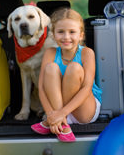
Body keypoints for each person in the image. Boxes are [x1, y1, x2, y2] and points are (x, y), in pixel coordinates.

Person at [31, 8, 102, 142]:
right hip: (58, 110)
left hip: (84, 109)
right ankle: (63, 125)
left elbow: (87, 88)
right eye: (61, 32)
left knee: (74, 68)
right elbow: (41, 88)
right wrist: (51, 115)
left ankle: (55, 122)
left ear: (81, 35)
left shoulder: (87, 53)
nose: (66, 37)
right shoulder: (50, 53)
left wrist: (57, 115)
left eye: (72, 32)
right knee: (51, 68)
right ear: (53, 34)